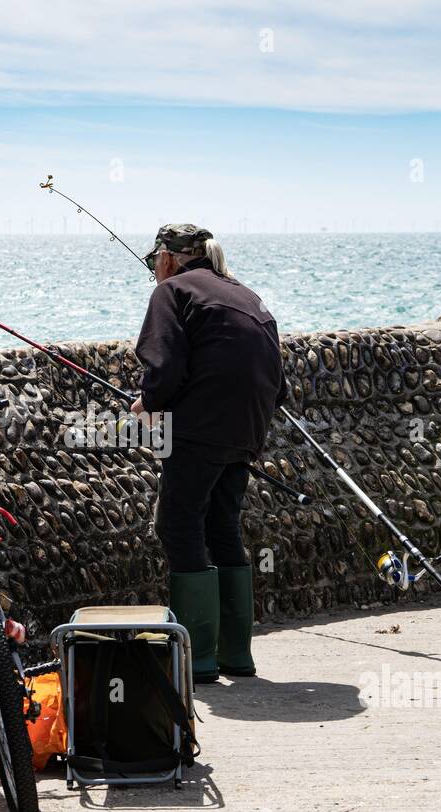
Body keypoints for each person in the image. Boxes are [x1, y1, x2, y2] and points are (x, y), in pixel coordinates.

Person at [131, 224, 286, 683]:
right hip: (247, 428)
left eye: (153, 262)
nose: (154, 271)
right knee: (221, 526)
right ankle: (236, 655)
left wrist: (149, 402)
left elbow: (164, 365)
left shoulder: (173, 291)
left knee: (177, 525)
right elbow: (279, 383)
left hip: (200, 429)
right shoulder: (248, 295)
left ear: (166, 257)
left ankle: (197, 659)